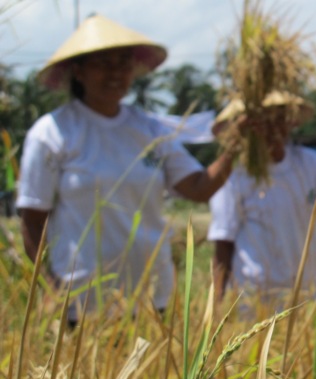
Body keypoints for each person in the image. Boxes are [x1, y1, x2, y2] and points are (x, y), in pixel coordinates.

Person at [15, 15, 238, 324]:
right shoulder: (53, 133)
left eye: (123, 63)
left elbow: (198, 188)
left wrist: (237, 146)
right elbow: (33, 220)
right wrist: (51, 288)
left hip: (151, 296)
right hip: (83, 304)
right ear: (77, 70)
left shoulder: (149, 128)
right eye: (102, 63)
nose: (115, 73)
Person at [208, 92, 316, 311]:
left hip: (307, 293)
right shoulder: (235, 175)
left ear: (290, 123)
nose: (272, 128)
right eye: (263, 121)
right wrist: (216, 306)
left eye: (279, 119)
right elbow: (223, 242)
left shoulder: (309, 163)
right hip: (255, 299)